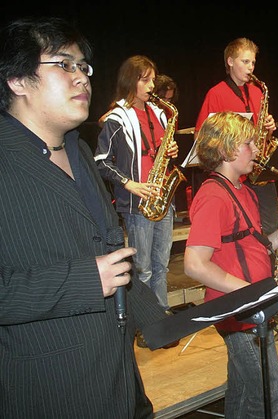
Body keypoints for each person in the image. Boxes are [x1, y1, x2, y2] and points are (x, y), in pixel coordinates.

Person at [0, 17, 169, 417]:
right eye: (64, 65)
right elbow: (93, 274)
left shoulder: (80, 152)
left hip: (121, 384)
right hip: (52, 391)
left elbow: (112, 254)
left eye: (84, 67)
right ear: (18, 80)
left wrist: (161, 322)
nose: (82, 78)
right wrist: (83, 281)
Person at [183, 111, 278, 419]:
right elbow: (195, 264)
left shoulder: (243, 189)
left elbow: (251, 243)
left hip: (253, 309)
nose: (258, 150)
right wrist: (250, 292)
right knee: (269, 398)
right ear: (227, 150)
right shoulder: (213, 195)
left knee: (242, 392)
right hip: (239, 312)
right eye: (249, 143)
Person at [95, 55, 180, 347]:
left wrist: (170, 151)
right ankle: (146, 324)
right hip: (138, 202)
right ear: (130, 81)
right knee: (142, 267)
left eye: (153, 79)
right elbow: (100, 161)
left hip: (162, 197)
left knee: (161, 265)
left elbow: (158, 149)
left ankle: (161, 320)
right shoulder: (116, 118)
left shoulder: (159, 113)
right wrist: (129, 183)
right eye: (145, 79)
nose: (151, 85)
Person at [194, 37, 278, 236]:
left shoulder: (258, 92)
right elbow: (201, 135)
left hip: (259, 170)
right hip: (233, 174)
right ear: (230, 61)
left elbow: (262, 136)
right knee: (242, 229)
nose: (251, 67)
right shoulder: (216, 93)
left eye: (253, 62)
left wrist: (270, 128)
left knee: (271, 227)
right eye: (245, 61)